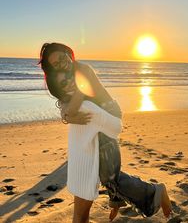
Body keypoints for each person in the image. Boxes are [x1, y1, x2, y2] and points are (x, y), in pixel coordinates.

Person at [39, 43, 172, 223]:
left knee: (109, 175)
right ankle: (119, 198)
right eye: (56, 64)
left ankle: (154, 192)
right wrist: (66, 115)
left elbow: (76, 104)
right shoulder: (60, 80)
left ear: (68, 54)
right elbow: (66, 106)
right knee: (105, 170)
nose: (61, 64)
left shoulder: (83, 70)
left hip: (108, 112)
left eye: (62, 58)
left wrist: (68, 115)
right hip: (93, 118)